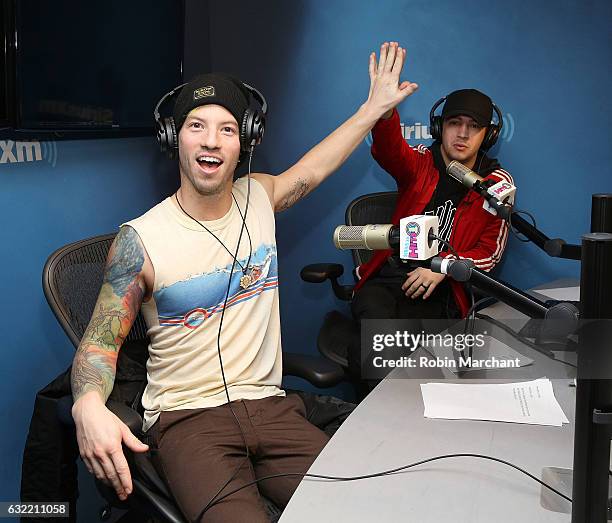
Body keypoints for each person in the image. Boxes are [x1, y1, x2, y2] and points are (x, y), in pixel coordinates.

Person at [70, 42, 416, 522]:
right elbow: (98, 344)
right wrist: (87, 406)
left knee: (364, 506)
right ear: (175, 139)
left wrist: (372, 109)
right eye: (197, 126)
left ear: (244, 142)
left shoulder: (260, 196)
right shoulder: (139, 241)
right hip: (187, 421)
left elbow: (316, 167)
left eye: (227, 129)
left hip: (271, 409)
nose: (211, 141)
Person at [349, 80, 514, 388]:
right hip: (389, 279)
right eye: (454, 123)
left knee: (405, 350)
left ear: (488, 135)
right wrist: (385, 113)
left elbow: (489, 254)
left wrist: (445, 266)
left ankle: (392, 417)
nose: (462, 134)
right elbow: (389, 150)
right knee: (375, 333)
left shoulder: (494, 184)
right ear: (440, 127)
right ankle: (377, 418)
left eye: (473, 126)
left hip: (441, 287)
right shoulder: (421, 161)